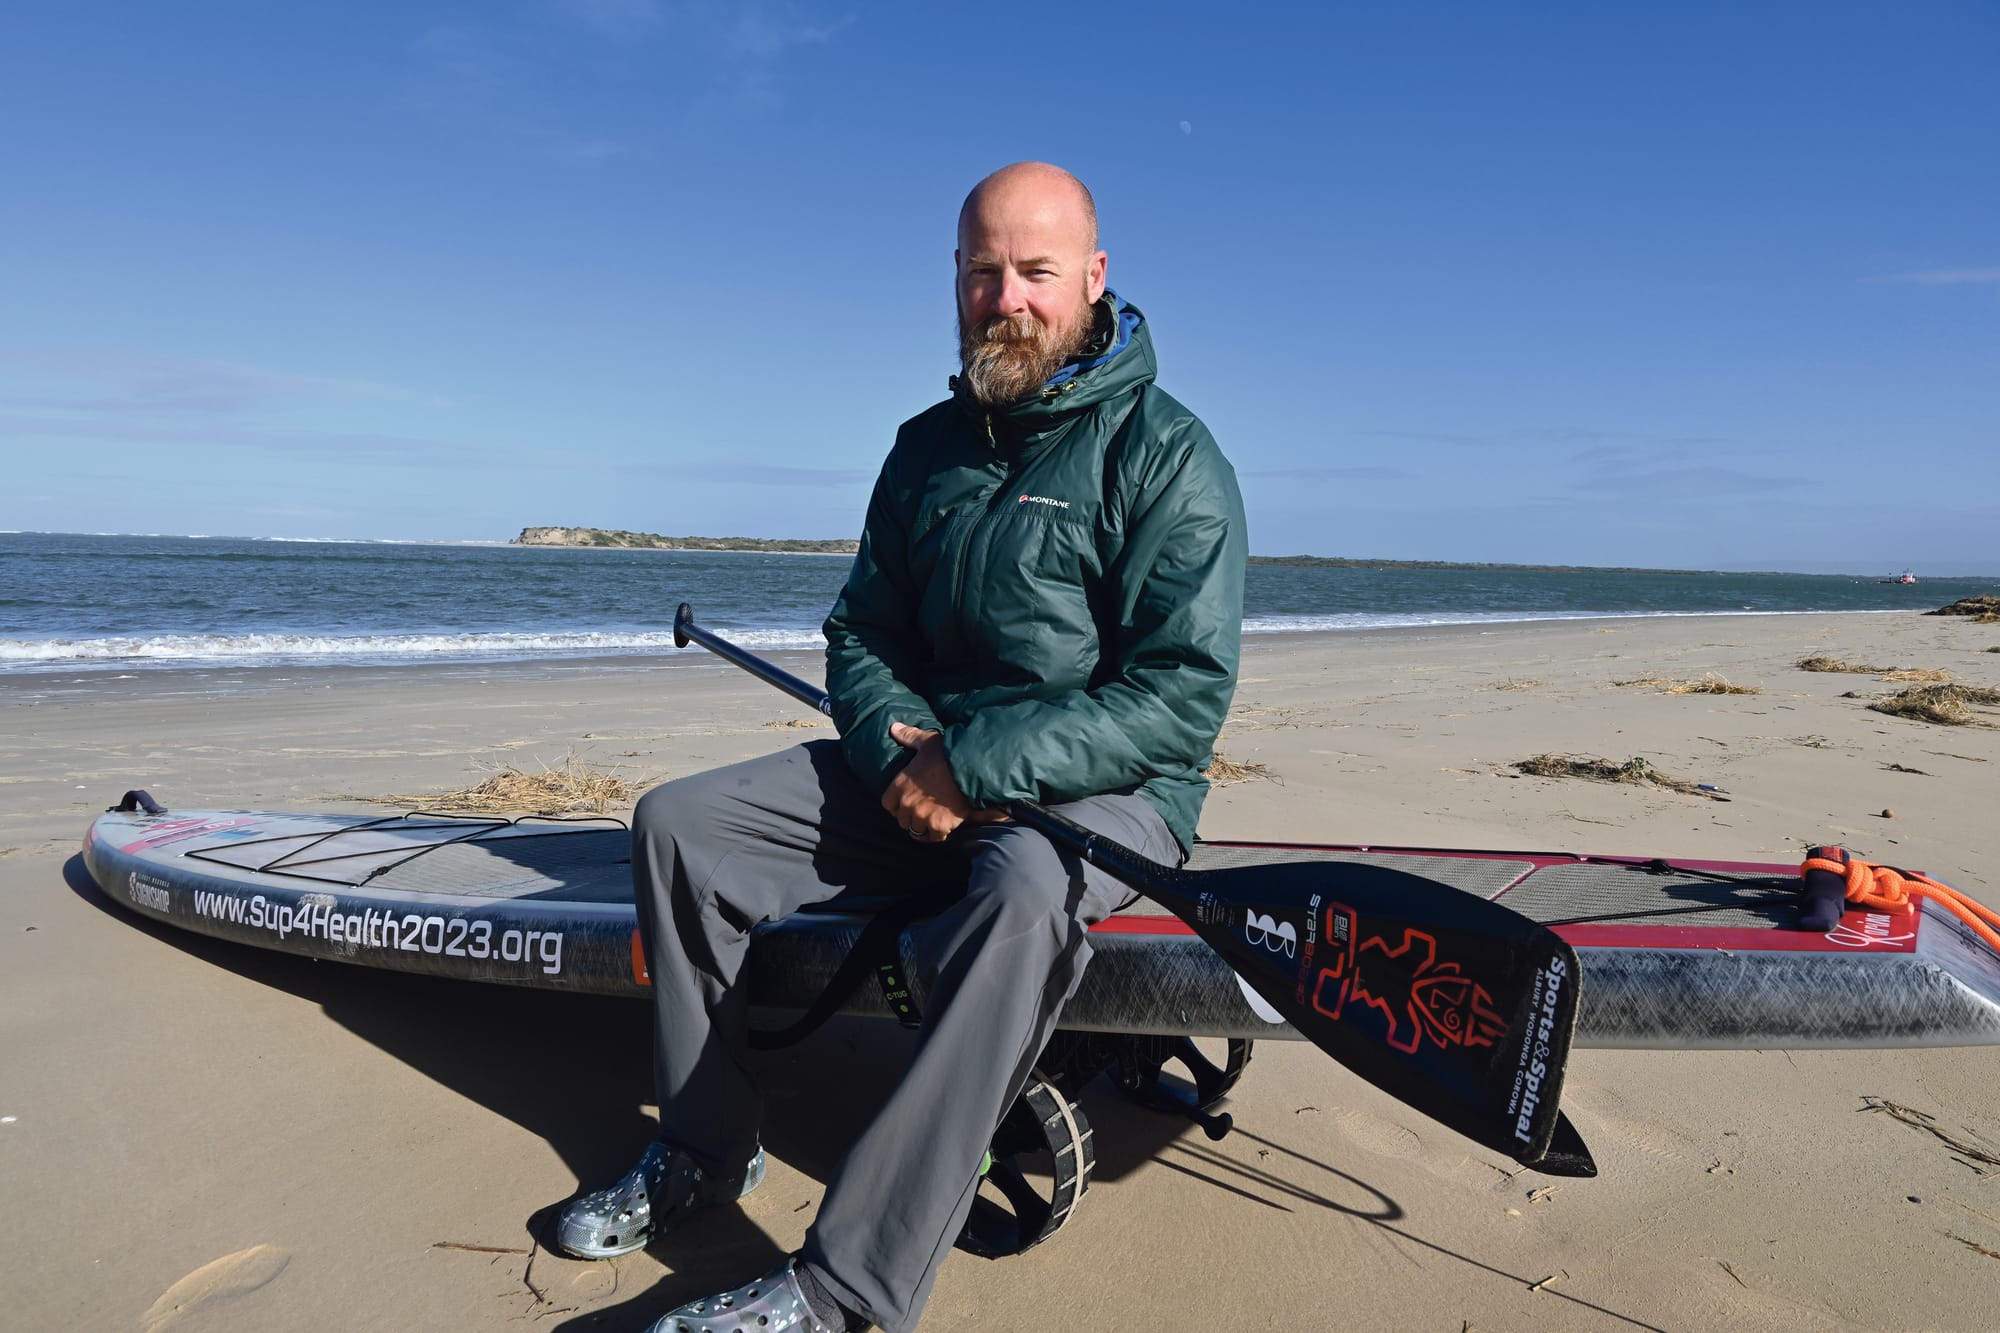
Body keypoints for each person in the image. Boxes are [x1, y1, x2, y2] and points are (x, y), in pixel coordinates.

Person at [555, 161, 1248, 1333]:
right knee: (677, 826)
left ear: (1091, 277)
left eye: (1033, 271)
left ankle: (846, 1285)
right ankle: (706, 1145)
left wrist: (972, 766)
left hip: (1103, 794)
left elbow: (1177, 699)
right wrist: (889, 749)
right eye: (981, 273)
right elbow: (861, 630)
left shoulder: (1167, 455)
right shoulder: (924, 447)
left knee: (1021, 895)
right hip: (914, 777)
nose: (1006, 298)